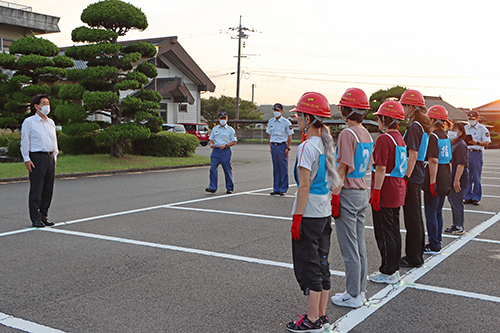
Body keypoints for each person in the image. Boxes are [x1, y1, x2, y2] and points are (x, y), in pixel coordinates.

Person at [286, 92, 341, 333]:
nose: (297, 119)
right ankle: (321, 315)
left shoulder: (308, 146)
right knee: (321, 262)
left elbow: (304, 185)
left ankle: (311, 319)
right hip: (324, 211)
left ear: (309, 118)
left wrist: (296, 218)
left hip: (309, 213)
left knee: (308, 265)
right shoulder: (328, 144)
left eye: (299, 115)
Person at [330, 88, 372, 308]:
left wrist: (334, 196)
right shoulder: (365, 133)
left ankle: (353, 293)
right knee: (360, 244)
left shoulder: (348, 133)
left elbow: (342, 167)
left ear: (347, 110)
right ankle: (361, 290)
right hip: (361, 192)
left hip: (347, 192)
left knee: (349, 247)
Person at [369, 101, 407, 284]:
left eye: (379, 118)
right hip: (397, 187)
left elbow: (381, 168)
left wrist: (376, 193)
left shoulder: (384, 139)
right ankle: (393, 268)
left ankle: (388, 270)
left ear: (385, 119)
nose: (379, 121)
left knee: (383, 232)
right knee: (393, 231)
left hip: (386, 189)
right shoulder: (399, 137)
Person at [399, 89, 432, 268]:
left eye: (404, 106)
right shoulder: (422, 125)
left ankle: (413, 257)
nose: (402, 110)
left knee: (412, 217)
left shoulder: (414, 126)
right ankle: (416, 254)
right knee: (416, 217)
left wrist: (405, 177)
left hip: (412, 174)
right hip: (418, 173)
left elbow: (412, 155)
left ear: (411, 107)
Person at [20, 94, 59, 228]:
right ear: (36, 106)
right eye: (44, 103)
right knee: (37, 188)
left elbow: (54, 140)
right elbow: (25, 141)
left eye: (48, 103)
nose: (47, 106)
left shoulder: (51, 122)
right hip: (36, 157)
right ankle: (35, 218)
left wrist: (55, 156)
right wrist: (26, 158)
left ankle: (44, 215)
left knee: (48, 189)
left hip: (49, 157)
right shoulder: (29, 122)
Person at [423, 105, 452, 254]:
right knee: (438, 211)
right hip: (446, 173)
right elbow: (449, 159)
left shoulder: (433, 136)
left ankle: (434, 244)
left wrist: (432, 181)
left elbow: (433, 160)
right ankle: (437, 241)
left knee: (431, 212)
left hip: (436, 174)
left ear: (433, 119)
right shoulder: (445, 135)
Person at [445, 122, 469, 235]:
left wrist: (456, 180)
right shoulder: (454, 143)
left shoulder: (460, 145)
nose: (452, 131)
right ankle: (456, 224)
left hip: (458, 177)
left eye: (454, 129)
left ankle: (459, 226)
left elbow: (461, 164)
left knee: (457, 201)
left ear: (460, 133)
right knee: (453, 200)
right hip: (454, 176)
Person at [205, 112, 237, 194]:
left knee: (227, 170)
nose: (223, 120)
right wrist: (211, 144)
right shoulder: (215, 129)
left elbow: (234, 141)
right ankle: (212, 187)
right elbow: (211, 139)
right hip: (216, 151)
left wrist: (226, 145)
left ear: (227, 119)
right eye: (221, 118)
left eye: (224, 118)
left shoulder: (230, 130)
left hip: (225, 151)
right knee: (212, 169)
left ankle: (229, 188)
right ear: (218, 119)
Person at [463, 110, 490, 205]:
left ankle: (476, 197)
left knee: (476, 177)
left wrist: (477, 143)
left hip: (476, 153)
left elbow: (486, 142)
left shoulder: (483, 129)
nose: (471, 121)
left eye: (473, 119)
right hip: (466, 152)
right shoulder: (465, 128)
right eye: (469, 119)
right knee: (467, 176)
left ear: (478, 118)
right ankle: (467, 197)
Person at [267, 103, 294, 196]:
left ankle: (283, 189)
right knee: (276, 168)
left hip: (282, 146)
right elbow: (270, 134)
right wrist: (270, 146)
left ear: (282, 111)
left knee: (283, 168)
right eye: (275, 110)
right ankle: (276, 188)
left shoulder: (286, 122)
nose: (276, 112)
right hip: (274, 145)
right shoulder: (271, 121)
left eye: (278, 110)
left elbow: (290, 135)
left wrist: (288, 147)